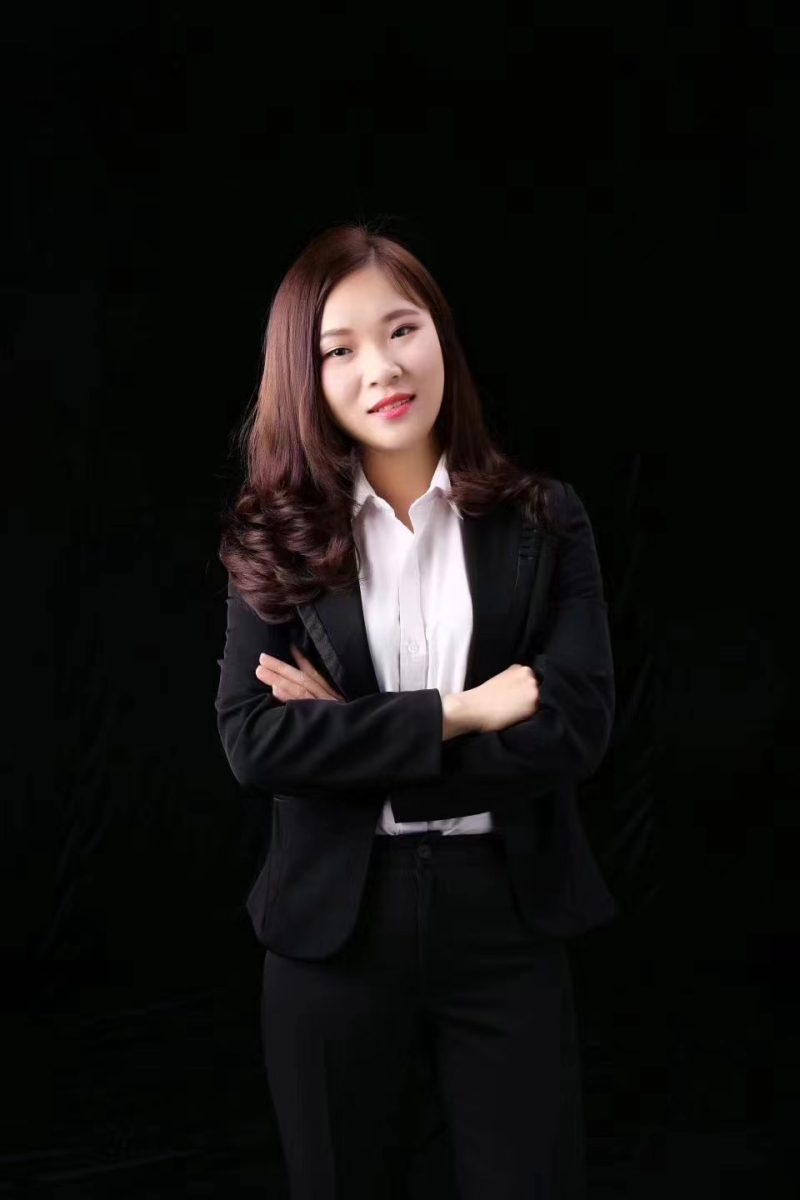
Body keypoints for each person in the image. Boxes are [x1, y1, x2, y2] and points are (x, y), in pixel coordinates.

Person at [215, 220, 617, 1199]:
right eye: (338, 350)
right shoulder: (275, 534)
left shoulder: (543, 519)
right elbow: (254, 741)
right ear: (303, 377)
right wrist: (461, 712)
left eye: (402, 329)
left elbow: (572, 727)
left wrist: (351, 736)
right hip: (334, 930)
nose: (382, 368)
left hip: (505, 916)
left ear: (440, 334)